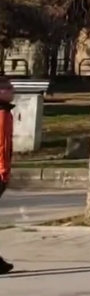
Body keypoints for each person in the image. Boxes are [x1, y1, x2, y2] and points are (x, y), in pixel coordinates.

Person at [0, 75, 14, 275]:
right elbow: (2, 144)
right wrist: (3, 170)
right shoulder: (2, 113)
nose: (13, 91)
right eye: (9, 88)